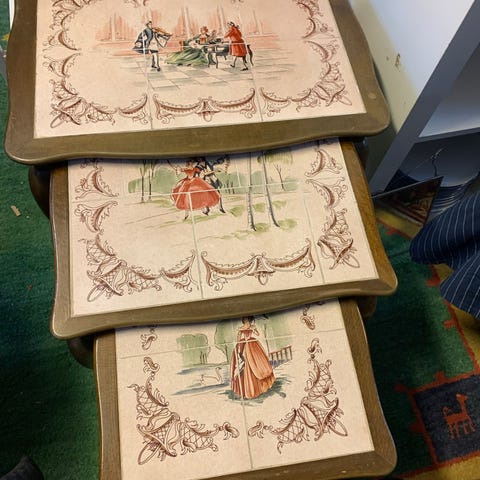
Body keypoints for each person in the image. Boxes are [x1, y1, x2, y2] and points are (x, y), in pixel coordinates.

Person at [230, 316, 275, 399]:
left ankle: (259, 386)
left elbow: (258, 334)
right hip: (245, 344)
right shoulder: (241, 328)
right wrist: (240, 346)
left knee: (256, 362)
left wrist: (254, 330)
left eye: (247, 320)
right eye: (245, 320)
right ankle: (249, 387)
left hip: (252, 344)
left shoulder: (251, 326)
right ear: (244, 320)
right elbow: (238, 338)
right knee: (247, 363)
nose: (247, 321)